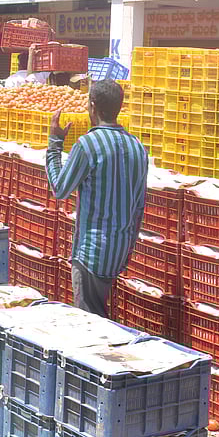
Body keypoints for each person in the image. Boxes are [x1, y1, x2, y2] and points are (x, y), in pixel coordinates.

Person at [46, 80, 148, 317]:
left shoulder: (88, 145)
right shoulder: (137, 147)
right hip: (120, 250)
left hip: (91, 251)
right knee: (98, 313)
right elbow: (140, 205)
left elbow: (59, 189)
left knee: (89, 321)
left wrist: (54, 144)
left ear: (92, 106)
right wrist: (129, 245)